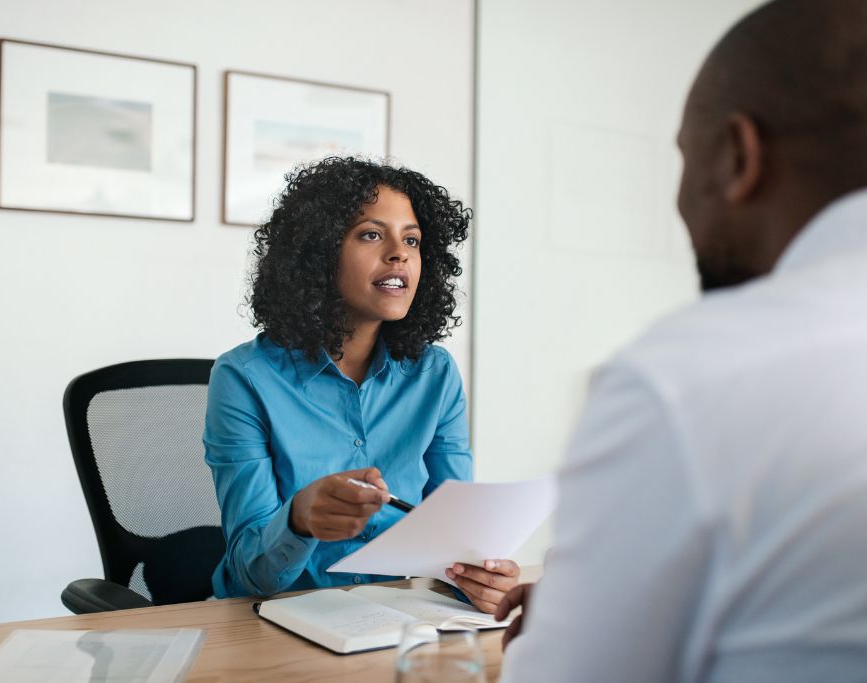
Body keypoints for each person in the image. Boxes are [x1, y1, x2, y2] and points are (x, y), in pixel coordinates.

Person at [496, 0, 867, 680]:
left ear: (738, 156)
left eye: (683, 159)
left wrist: (548, 634)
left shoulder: (686, 380)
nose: (679, 209)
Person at [204, 157, 520, 611]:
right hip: (271, 622)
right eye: (372, 234)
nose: (400, 253)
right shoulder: (243, 378)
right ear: (318, 253)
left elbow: (456, 536)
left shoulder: (435, 374)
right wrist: (300, 519)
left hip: (395, 616)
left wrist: (479, 578)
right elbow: (251, 574)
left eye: (411, 239)